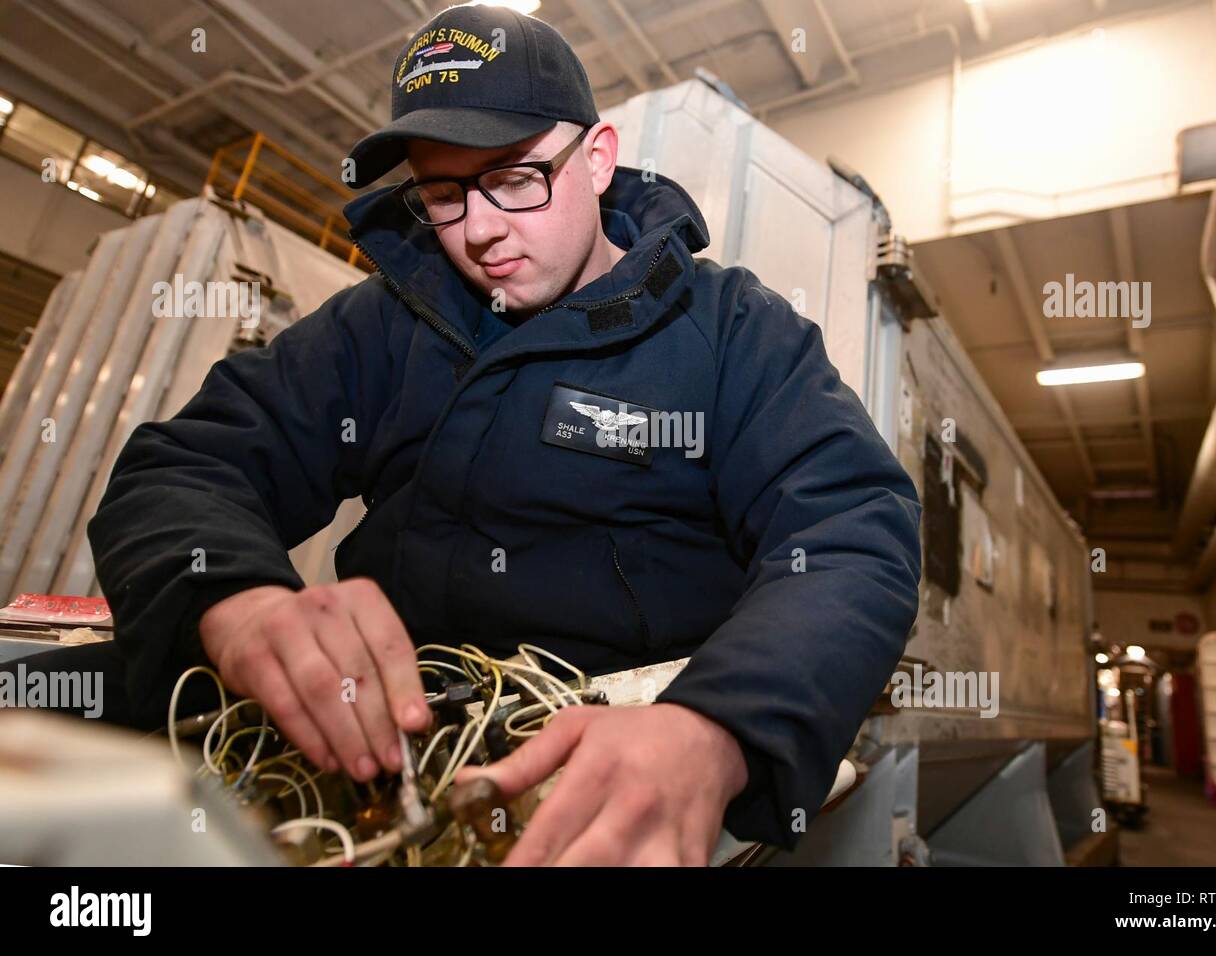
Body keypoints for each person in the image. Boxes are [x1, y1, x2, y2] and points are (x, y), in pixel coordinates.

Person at [86, 3, 922, 865]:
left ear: (596, 160)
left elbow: (849, 534)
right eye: (443, 194)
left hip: (629, 766)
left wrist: (715, 727)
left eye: (516, 178)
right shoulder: (381, 326)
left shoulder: (735, 333)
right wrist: (236, 599)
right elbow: (183, 467)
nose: (480, 231)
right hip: (394, 755)